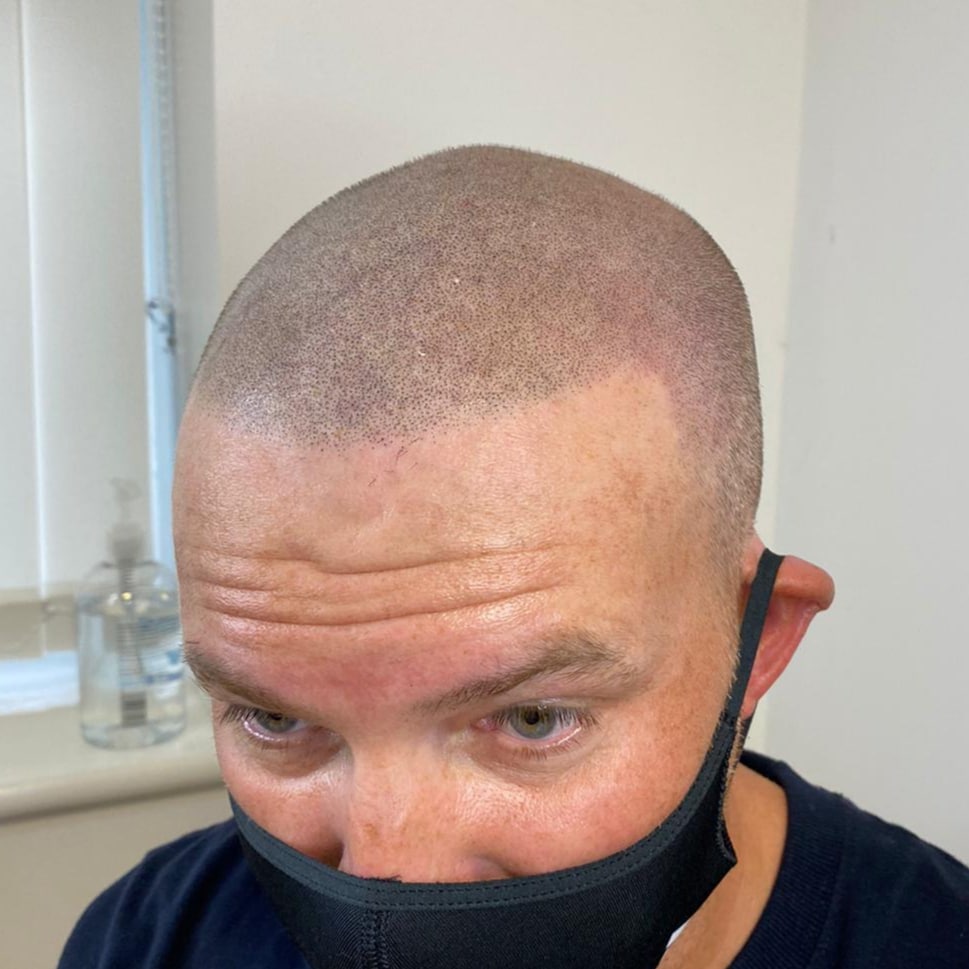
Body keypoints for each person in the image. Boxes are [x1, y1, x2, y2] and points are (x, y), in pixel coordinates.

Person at [59, 146, 969, 969]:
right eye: (273, 718)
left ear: (756, 641)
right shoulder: (140, 940)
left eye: (532, 718)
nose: (386, 870)